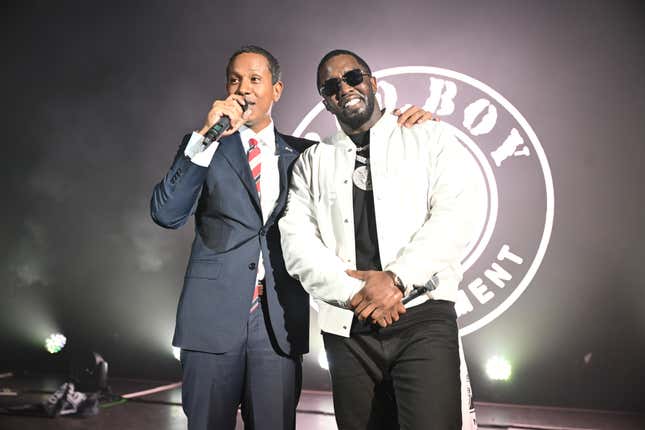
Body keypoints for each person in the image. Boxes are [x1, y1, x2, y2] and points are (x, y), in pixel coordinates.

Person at [150, 45, 435, 430]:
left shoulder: (306, 156)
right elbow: (166, 213)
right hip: (210, 321)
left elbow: (369, 160)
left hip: (278, 326)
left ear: (276, 90)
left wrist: (409, 125)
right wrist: (205, 135)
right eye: (235, 79)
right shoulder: (206, 148)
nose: (244, 89)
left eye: (255, 79)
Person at [279, 49, 480, 429]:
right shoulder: (312, 161)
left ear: (372, 83)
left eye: (352, 77)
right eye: (331, 85)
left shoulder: (427, 135)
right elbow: (298, 243)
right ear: (325, 101)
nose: (344, 88)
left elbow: (455, 216)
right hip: (348, 329)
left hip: (422, 317)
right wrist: (357, 294)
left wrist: (396, 279)